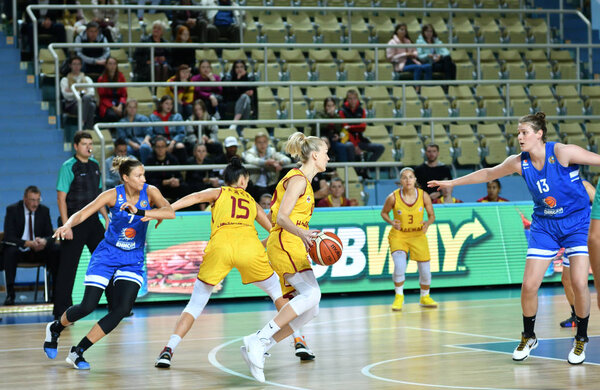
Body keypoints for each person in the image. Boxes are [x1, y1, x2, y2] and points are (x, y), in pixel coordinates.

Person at [428, 112, 600, 365]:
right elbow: (487, 174)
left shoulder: (563, 152)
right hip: (545, 226)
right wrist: (452, 182)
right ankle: (529, 336)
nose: (519, 137)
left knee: (578, 283)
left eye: (524, 132)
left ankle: (581, 339)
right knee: (529, 285)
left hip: (577, 223)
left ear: (539, 134)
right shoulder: (519, 162)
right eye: (518, 133)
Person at [43, 157, 175, 369]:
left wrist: (141, 211)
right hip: (108, 255)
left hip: (132, 259)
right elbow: (84, 212)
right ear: (125, 178)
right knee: (88, 305)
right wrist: (67, 224)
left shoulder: (150, 192)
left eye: (144, 174)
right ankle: (56, 328)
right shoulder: (112, 195)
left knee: (122, 309)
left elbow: (170, 212)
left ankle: (79, 351)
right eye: (138, 175)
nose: (144, 178)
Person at [153, 157, 283, 368]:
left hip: (220, 247)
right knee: (278, 293)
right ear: (242, 180)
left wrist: (168, 209)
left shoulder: (219, 192)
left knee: (196, 304)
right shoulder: (251, 200)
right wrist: (261, 244)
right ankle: (298, 341)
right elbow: (274, 231)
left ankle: (168, 349)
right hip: (249, 247)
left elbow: (194, 197)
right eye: (247, 179)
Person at [241, 132, 329, 383]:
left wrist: (303, 233)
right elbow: (280, 219)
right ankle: (259, 339)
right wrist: (303, 233)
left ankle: (261, 343)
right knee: (312, 295)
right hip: (285, 243)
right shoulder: (299, 180)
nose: (328, 157)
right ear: (314, 155)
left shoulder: (303, 182)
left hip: (291, 244)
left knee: (312, 309)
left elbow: (288, 217)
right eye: (325, 153)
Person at [53, 131, 109, 320]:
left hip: (94, 222)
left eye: (90, 143)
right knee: (68, 267)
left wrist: (106, 218)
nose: (88, 147)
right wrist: (66, 225)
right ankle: (62, 311)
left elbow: (99, 197)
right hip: (74, 224)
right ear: (76, 146)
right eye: (84, 143)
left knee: (107, 261)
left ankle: (117, 305)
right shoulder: (68, 166)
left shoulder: (94, 166)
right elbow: (61, 198)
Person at [381, 168, 437, 311]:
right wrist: (391, 222)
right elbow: (384, 213)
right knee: (400, 266)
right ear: (401, 181)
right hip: (399, 236)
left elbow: (432, 216)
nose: (408, 180)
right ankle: (399, 297)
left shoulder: (424, 196)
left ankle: (425, 296)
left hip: (418, 235)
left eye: (411, 177)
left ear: (415, 180)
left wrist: (427, 223)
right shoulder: (393, 197)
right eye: (405, 178)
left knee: (425, 271)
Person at [2, 186, 59, 305]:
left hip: (38, 250)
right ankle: (10, 294)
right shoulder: (12, 210)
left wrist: (43, 241)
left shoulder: (44, 211)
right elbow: (8, 236)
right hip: (19, 250)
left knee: (55, 250)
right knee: (9, 252)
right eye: (32, 200)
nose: (35, 203)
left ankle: (55, 292)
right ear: (25, 199)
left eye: (38, 200)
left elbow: (50, 235)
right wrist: (27, 243)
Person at [558, 180, 595, 328]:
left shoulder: (583, 185)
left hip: (586, 236)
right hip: (572, 238)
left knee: (580, 282)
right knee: (566, 279)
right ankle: (576, 316)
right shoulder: (553, 188)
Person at [338, 90, 384, 165]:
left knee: (380, 147)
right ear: (347, 99)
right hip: (347, 140)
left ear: (357, 99)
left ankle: (366, 168)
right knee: (350, 146)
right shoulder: (342, 111)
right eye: (350, 98)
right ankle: (354, 170)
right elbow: (345, 129)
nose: (352, 101)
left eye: (354, 98)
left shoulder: (361, 110)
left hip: (360, 140)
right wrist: (355, 146)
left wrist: (350, 127)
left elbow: (363, 127)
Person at [243, 132, 291, 201]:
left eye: (264, 142)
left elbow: (287, 159)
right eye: (259, 142)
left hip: (270, 184)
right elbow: (251, 160)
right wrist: (266, 162)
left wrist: (280, 162)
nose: (262, 145)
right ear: (255, 143)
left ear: (267, 143)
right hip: (255, 185)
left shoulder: (271, 151)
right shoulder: (250, 152)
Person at [60, 56, 96, 130]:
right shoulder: (65, 80)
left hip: (85, 102)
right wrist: (83, 92)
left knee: (91, 104)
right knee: (90, 103)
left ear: (81, 65)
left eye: (78, 64)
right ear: (70, 65)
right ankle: (87, 128)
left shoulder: (87, 79)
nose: (76, 66)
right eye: (74, 64)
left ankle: (84, 125)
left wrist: (74, 92)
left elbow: (92, 93)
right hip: (72, 105)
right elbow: (66, 95)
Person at [314, 97, 355, 162]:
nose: (330, 108)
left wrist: (337, 135)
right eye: (328, 106)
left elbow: (339, 128)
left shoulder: (336, 116)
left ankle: (347, 169)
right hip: (322, 138)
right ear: (325, 106)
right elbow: (321, 125)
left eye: (332, 105)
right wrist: (329, 115)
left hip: (333, 139)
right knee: (341, 147)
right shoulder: (319, 114)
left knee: (347, 146)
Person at [149, 95, 187, 164]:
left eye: (171, 104)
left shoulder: (177, 116)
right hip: (159, 142)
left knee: (180, 146)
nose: (169, 106)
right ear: (161, 104)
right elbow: (150, 133)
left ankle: (182, 171)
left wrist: (173, 142)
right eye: (166, 103)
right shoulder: (153, 117)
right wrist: (159, 139)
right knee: (157, 147)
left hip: (173, 141)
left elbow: (181, 133)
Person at [118, 99, 153, 164]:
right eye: (130, 107)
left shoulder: (143, 119)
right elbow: (122, 137)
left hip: (142, 140)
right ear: (126, 108)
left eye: (134, 107)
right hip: (129, 143)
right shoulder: (122, 122)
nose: (132, 109)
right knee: (126, 150)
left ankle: (145, 169)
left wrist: (146, 140)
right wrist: (132, 144)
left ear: (136, 108)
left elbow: (149, 131)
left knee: (145, 147)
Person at [97, 57, 127, 123]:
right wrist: (114, 108)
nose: (112, 66)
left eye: (114, 64)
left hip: (119, 102)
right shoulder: (101, 79)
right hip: (107, 104)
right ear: (106, 65)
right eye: (110, 64)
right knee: (112, 115)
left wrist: (120, 105)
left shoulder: (121, 76)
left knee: (128, 111)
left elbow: (124, 94)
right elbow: (102, 97)